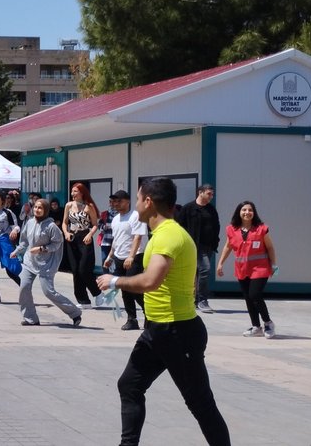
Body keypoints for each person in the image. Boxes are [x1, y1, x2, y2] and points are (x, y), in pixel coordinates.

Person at [96, 178, 231, 446]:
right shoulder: (163, 234)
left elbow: (150, 281)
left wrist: (115, 281)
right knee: (130, 385)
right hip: (157, 330)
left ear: (148, 202)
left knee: (200, 403)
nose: (135, 205)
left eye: (137, 199)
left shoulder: (168, 235)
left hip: (178, 332)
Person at [12, 198, 81, 326]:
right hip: (29, 262)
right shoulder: (30, 223)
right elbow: (24, 241)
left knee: (49, 292)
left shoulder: (52, 226)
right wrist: (16, 251)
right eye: (36, 207)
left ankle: (75, 313)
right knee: (24, 288)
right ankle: (30, 318)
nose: (37, 210)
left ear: (46, 210)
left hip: (46, 264)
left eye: (40, 208)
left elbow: (57, 244)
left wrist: (42, 249)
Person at [216, 200, 277, 338]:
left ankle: (268, 322)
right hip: (242, 269)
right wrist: (220, 263)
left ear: (254, 213)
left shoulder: (261, 228)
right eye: (244, 210)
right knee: (248, 298)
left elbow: (270, 247)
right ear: (239, 212)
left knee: (255, 294)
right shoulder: (232, 229)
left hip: (260, 268)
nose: (247, 212)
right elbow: (228, 246)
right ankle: (256, 326)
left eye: (250, 210)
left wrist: (274, 265)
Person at [103, 190, 148, 330]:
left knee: (134, 289)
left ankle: (150, 315)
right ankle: (132, 319)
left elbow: (138, 237)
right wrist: (110, 256)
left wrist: (131, 256)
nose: (116, 204)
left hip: (134, 257)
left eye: (119, 201)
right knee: (124, 289)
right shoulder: (116, 218)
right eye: (114, 201)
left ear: (127, 201)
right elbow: (116, 240)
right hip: (119, 257)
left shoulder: (136, 216)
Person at [176, 183, 220, 313]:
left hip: (207, 246)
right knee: (203, 269)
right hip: (192, 245)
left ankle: (196, 300)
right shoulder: (188, 208)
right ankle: (201, 300)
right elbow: (179, 226)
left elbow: (216, 225)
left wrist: (215, 242)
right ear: (200, 192)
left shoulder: (211, 209)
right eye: (209, 193)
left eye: (212, 194)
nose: (211, 196)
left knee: (200, 272)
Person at [63, 182, 105, 308]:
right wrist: (65, 232)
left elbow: (95, 224)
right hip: (72, 238)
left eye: (75, 191)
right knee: (75, 270)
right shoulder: (69, 205)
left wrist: (90, 234)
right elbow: (65, 222)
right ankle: (83, 300)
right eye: (72, 191)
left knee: (84, 269)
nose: (73, 194)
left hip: (85, 237)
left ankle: (97, 292)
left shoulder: (88, 207)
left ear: (82, 192)